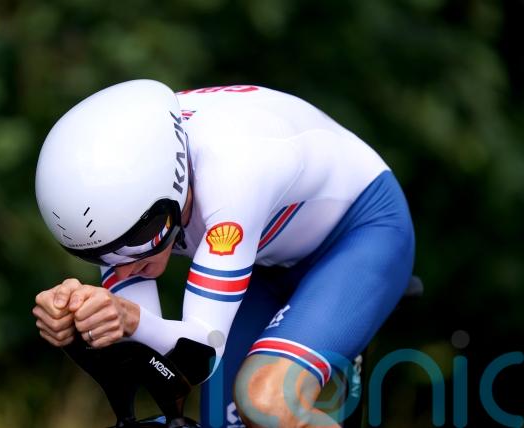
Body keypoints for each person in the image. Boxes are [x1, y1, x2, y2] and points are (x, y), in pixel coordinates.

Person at [32, 80, 415, 427]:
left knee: (266, 403)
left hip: (361, 233)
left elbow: (201, 351)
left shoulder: (234, 171)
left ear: (175, 183)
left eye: (140, 240)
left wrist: (127, 317)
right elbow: (152, 356)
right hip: (265, 256)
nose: (125, 267)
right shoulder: (125, 199)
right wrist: (79, 320)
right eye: (101, 255)